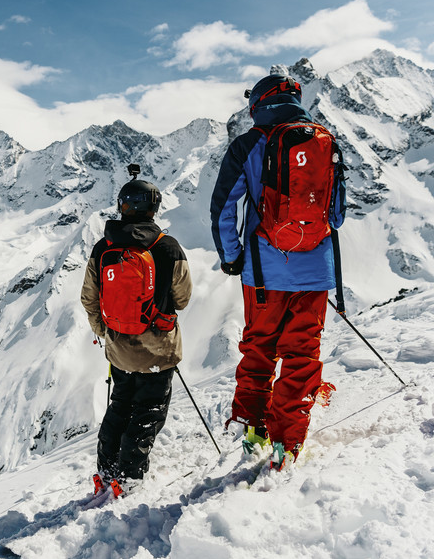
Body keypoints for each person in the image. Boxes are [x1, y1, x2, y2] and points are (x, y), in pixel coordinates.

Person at [209, 73, 346, 470]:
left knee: (260, 347)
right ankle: (289, 442)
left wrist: (233, 257)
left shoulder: (250, 143)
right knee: (303, 354)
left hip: (264, 272)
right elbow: (336, 213)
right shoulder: (326, 140)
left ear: (259, 103)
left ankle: (253, 426)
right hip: (316, 270)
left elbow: (223, 209)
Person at [80, 173, 193, 495]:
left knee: (119, 407)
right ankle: (128, 479)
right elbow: (182, 299)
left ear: (123, 207)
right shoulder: (168, 247)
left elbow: (89, 297)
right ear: (153, 210)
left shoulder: (104, 248)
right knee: (147, 413)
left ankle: (106, 471)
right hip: (158, 350)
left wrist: (104, 331)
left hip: (118, 348)